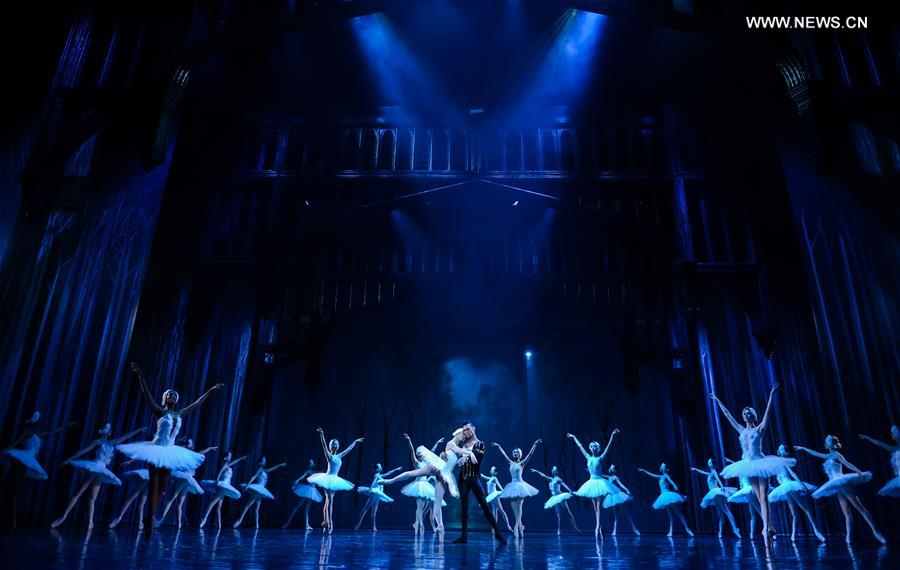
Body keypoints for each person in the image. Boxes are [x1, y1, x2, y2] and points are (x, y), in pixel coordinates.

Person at [117, 362, 224, 536]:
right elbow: (146, 395)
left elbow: (197, 403)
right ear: (165, 398)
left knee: (163, 487)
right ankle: (150, 520)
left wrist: (210, 390)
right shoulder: (159, 411)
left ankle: (149, 516)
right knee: (154, 485)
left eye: (174, 396)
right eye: (169, 395)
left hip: (171, 450)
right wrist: (140, 375)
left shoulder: (179, 413)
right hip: (157, 448)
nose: (172, 398)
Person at [711, 384, 789, 547]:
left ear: (753, 416)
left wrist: (771, 396)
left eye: (748, 413)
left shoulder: (759, 428)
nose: (746, 415)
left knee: (764, 498)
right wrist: (718, 402)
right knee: (759, 498)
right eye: (744, 413)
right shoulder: (741, 430)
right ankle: (769, 527)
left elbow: (767, 414)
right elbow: (728, 416)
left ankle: (766, 528)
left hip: (760, 463)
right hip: (748, 466)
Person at [50, 423, 145, 529]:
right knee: (79, 492)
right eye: (110, 431)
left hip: (102, 470)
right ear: (106, 432)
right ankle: (63, 516)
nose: (111, 432)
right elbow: (82, 451)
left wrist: (138, 430)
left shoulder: (113, 443)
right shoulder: (98, 442)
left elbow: (126, 437)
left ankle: (90, 521)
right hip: (95, 466)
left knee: (92, 497)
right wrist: (68, 460)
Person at [795, 435, 886, 544]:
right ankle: (849, 537)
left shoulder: (836, 454)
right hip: (836, 484)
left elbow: (847, 463)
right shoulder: (829, 455)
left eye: (826, 441)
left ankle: (876, 532)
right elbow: (816, 454)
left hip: (841, 481)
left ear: (830, 444)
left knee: (859, 507)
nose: (825, 443)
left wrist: (859, 472)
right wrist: (804, 448)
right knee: (846, 512)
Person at [1, 411, 74, 528]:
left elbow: (52, 432)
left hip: (26, 462)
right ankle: (11, 519)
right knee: (12, 490)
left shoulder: (37, 434)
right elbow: (16, 443)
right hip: (21, 461)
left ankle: (11, 518)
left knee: (14, 491)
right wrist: (5, 450)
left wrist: (66, 426)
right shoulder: (26, 433)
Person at [452, 422, 507, 544]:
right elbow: (453, 453)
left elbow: (476, 459)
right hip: (462, 479)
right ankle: (464, 536)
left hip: (473, 478)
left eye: (468, 429)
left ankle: (498, 533)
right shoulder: (461, 443)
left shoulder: (480, 444)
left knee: (485, 506)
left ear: (474, 428)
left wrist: (464, 458)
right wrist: (447, 455)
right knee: (464, 508)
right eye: (465, 430)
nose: (467, 431)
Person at [307, 427, 363, 534]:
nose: (335, 445)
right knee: (330, 501)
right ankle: (330, 523)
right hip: (328, 479)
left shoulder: (339, 456)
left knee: (328, 502)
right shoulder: (329, 455)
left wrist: (355, 441)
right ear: (330, 446)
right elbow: (323, 445)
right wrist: (322, 434)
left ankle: (325, 523)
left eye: (336, 443)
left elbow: (348, 449)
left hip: (335, 479)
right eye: (333, 443)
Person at [567, 430, 619, 539]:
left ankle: (597, 527)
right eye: (591, 446)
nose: (592, 448)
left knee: (599, 506)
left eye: (594, 447)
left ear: (597, 448)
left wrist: (612, 435)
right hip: (591, 482)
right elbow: (580, 446)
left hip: (600, 482)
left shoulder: (600, 458)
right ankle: (599, 527)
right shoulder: (588, 457)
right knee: (595, 507)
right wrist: (574, 436)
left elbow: (608, 447)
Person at [154, 438, 216, 529]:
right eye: (189, 442)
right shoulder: (182, 453)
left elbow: (202, 452)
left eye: (191, 442)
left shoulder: (193, 455)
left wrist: (209, 448)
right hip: (182, 477)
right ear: (186, 444)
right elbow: (174, 447)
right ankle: (161, 519)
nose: (191, 443)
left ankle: (178, 524)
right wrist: (181, 441)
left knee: (180, 502)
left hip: (188, 479)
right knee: (172, 498)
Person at [767, 444, 825, 542]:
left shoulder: (785, 461)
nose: (780, 450)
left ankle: (816, 530)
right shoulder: (777, 462)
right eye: (779, 448)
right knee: (794, 513)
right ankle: (793, 534)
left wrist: (800, 484)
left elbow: (792, 473)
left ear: (786, 452)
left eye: (782, 449)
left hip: (790, 486)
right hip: (784, 487)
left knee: (805, 508)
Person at [638, 463, 693, 537]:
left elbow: (670, 481)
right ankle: (671, 531)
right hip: (663, 496)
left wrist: (674, 485)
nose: (662, 467)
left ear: (665, 468)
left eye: (664, 466)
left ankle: (687, 528)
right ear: (660, 468)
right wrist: (644, 470)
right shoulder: (661, 476)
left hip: (668, 495)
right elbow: (651, 474)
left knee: (678, 513)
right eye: (662, 466)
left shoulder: (666, 475)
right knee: (670, 516)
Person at [689, 458, 740, 538]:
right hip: (714, 494)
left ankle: (735, 529)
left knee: (726, 511)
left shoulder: (713, 472)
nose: (708, 463)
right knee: (720, 515)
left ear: (713, 464)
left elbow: (718, 479)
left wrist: (722, 486)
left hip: (716, 493)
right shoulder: (711, 473)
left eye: (709, 462)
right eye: (708, 462)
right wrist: (696, 469)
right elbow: (704, 473)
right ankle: (720, 532)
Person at [234, 456, 287, 528]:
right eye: (263, 460)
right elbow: (253, 477)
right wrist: (247, 485)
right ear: (260, 462)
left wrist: (279, 465)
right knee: (248, 505)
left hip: (261, 489)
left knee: (257, 508)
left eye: (265, 459)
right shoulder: (260, 468)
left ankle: (257, 524)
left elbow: (269, 470)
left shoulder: (263, 469)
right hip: (258, 489)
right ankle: (240, 519)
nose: (265, 461)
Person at [198, 451, 246, 528]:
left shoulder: (227, 465)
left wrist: (240, 458)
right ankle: (204, 518)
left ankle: (219, 524)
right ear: (225, 457)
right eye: (229, 455)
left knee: (218, 506)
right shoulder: (224, 464)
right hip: (223, 486)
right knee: (212, 503)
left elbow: (233, 462)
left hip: (225, 486)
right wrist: (217, 482)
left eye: (231, 455)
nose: (230, 457)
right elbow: (219, 473)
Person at [531, 466, 580, 534]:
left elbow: (564, 485)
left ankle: (576, 529)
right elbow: (543, 475)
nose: (552, 470)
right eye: (552, 469)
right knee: (559, 515)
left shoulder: (558, 479)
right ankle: (559, 530)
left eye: (554, 469)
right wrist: (536, 471)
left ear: (557, 472)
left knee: (568, 512)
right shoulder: (551, 479)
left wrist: (570, 491)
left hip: (560, 496)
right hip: (554, 498)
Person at [354, 463, 402, 531]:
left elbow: (388, 473)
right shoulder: (376, 475)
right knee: (366, 508)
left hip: (378, 493)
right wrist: (370, 488)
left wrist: (396, 469)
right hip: (375, 492)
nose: (381, 467)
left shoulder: (380, 475)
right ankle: (358, 524)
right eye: (379, 467)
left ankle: (373, 527)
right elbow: (374, 482)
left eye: (381, 466)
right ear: (376, 469)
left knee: (374, 510)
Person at [859, 426, 900, 498]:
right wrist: (869, 439)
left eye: (892, 433)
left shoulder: (896, 449)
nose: (891, 435)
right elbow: (881, 444)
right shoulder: (895, 448)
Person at [283, 459, 323, 530]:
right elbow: (302, 476)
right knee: (297, 506)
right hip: (306, 489)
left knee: (307, 508)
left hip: (312, 490)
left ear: (313, 464)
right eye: (309, 463)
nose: (310, 464)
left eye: (311, 463)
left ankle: (307, 524)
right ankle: (287, 523)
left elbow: (322, 474)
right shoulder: (308, 471)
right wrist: (297, 480)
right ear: (308, 464)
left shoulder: (316, 472)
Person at [601, 465, 640, 536]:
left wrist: (626, 489)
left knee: (625, 513)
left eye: (611, 468)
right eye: (610, 467)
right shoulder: (609, 477)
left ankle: (634, 529)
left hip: (617, 496)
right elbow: (601, 475)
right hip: (611, 497)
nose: (610, 468)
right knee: (615, 515)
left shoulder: (615, 477)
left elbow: (621, 484)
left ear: (614, 470)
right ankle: (614, 530)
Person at [481, 466, 514, 533]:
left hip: (495, 496)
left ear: (495, 472)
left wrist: (504, 491)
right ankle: (494, 528)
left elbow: (499, 485)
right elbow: (484, 477)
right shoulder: (490, 478)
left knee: (501, 511)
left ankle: (508, 526)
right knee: (494, 512)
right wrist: (479, 474)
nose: (491, 470)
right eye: (491, 469)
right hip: (491, 496)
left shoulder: (494, 478)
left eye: (492, 470)